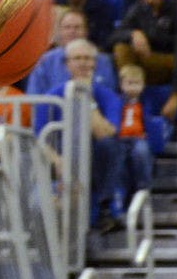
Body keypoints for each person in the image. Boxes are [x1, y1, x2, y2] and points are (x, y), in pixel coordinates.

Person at [35, 39, 124, 232]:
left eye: (87, 58)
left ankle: (104, 208)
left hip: (96, 162)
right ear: (67, 64)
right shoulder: (51, 96)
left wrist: (86, 98)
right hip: (61, 161)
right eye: (77, 59)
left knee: (110, 145)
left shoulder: (108, 96)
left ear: (95, 64)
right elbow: (40, 138)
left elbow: (106, 134)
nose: (83, 63)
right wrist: (58, 161)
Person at [110, 0, 177, 121]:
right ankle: (130, 98)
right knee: (121, 48)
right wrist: (133, 33)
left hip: (175, 63)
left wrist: (175, 95)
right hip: (150, 64)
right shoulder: (139, 8)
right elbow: (112, 37)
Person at [26, 8, 118, 95]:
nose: (72, 31)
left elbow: (110, 95)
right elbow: (34, 97)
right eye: (67, 27)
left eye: (77, 27)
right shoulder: (45, 61)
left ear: (86, 31)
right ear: (59, 32)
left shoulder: (103, 61)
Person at [115, 64, 164, 212]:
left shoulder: (146, 102)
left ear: (143, 85)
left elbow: (151, 123)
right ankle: (120, 197)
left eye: (137, 83)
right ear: (121, 84)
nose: (133, 87)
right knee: (118, 160)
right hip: (120, 139)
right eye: (129, 83)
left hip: (139, 138)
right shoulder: (116, 102)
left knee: (141, 152)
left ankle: (143, 190)